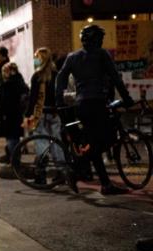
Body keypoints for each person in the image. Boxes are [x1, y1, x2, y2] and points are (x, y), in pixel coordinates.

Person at [56, 25, 135, 195]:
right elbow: (115, 77)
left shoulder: (72, 57)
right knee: (108, 139)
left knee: (94, 143)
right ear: (97, 39)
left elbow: (60, 78)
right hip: (98, 103)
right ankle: (78, 168)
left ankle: (105, 184)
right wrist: (127, 98)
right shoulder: (102, 54)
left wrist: (59, 100)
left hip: (81, 105)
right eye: (100, 38)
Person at [22, 48, 64, 183]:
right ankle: (61, 172)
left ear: (41, 59)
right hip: (55, 113)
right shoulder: (57, 74)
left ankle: (41, 176)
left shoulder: (37, 76)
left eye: (36, 57)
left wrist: (27, 115)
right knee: (56, 143)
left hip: (41, 114)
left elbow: (33, 98)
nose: (35, 60)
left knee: (42, 144)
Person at [0, 62, 29, 164]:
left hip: (8, 115)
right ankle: (14, 158)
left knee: (11, 138)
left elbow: (1, 103)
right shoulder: (21, 83)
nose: (3, 73)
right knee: (15, 138)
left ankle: (14, 161)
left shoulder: (5, 86)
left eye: (4, 71)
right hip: (18, 114)